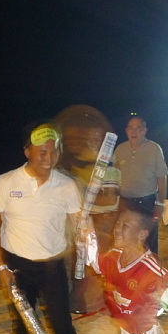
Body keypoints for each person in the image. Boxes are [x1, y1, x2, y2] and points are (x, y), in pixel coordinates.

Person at [0, 121, 85, 334]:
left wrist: (85, 234)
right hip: (18, 267)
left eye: (54, 152)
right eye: (42, 152)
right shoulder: (5, 183)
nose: (49, 158)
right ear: (27, 151)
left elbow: (79, 226)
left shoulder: (66, 186)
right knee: (26, 326)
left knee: (63, 326)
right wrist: (0, 268)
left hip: (53, 266)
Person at [54, 104, 120, 313]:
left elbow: (109, 199)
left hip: (102, 224)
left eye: (96, 139)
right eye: (89, 138)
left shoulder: (109, 168)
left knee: (101, 263)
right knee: (79, 262)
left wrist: (83, 194)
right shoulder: (76, 164)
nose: (92, 142)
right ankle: (78, 300)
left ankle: (106, 300)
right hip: (82, 223)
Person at [113, 116, 168, 254]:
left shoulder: (154, 149)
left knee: (148, 240)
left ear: (145, 130)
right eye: (131, 128)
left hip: (147, 203)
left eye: (138, 128)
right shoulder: (120, 149)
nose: (134, 131)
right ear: (126, 131)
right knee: (125, 239)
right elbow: (114, 175)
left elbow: (162, 176)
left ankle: (152, 267)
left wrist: (161, 203)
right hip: (125, 203)